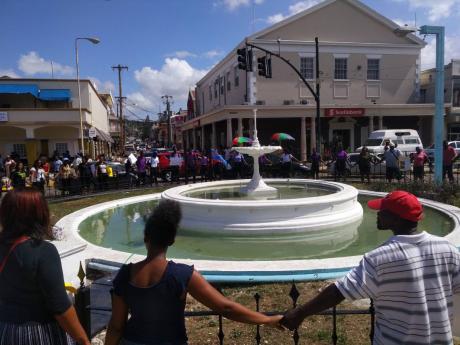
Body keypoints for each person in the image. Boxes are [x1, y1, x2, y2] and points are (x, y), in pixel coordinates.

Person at [281, 190, 460, 344]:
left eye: (383, 211)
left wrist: (300, 313)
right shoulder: (448, 249)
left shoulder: (379, 258)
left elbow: (339, 292)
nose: (378, 213)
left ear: (395, 219)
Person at [105, 200, 282, 345]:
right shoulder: (182, 275)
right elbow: (225, 307)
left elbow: (116, 326)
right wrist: (266, 320)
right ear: (172, 241)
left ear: (145, 238)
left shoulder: (125, 274)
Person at [0, 189, 90, 345]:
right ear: (38, 214)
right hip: (37, 333)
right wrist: (84, 340)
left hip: (6, 330)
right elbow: (61, 308)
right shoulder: (42, 251)